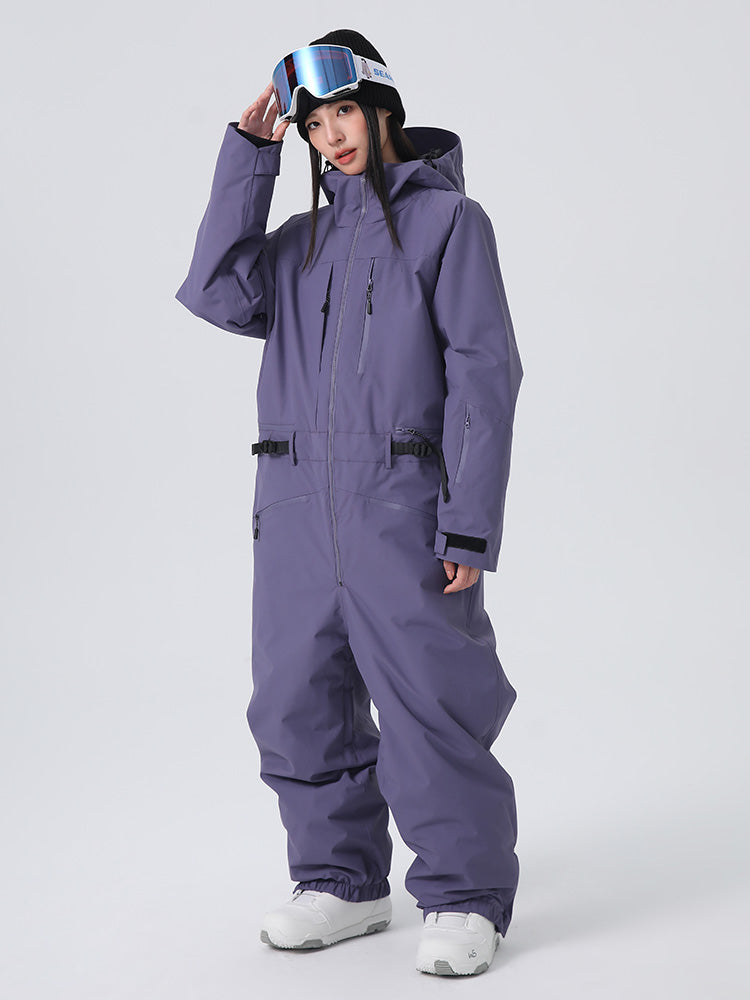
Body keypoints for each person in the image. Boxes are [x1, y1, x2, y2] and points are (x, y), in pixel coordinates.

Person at [175, 28, 523, 978]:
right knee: (297, 702)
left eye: (340, 112)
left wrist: (469, 524)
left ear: (380, 105)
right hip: (293, 507)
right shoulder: (298, 244)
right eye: (311, 124)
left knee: (431, 704)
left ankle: (464, 894)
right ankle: (341, 880)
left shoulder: (450, 224)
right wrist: (247, 159)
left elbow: (485, 376)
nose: (329, 135)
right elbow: (215, 290)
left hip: (400, 507)